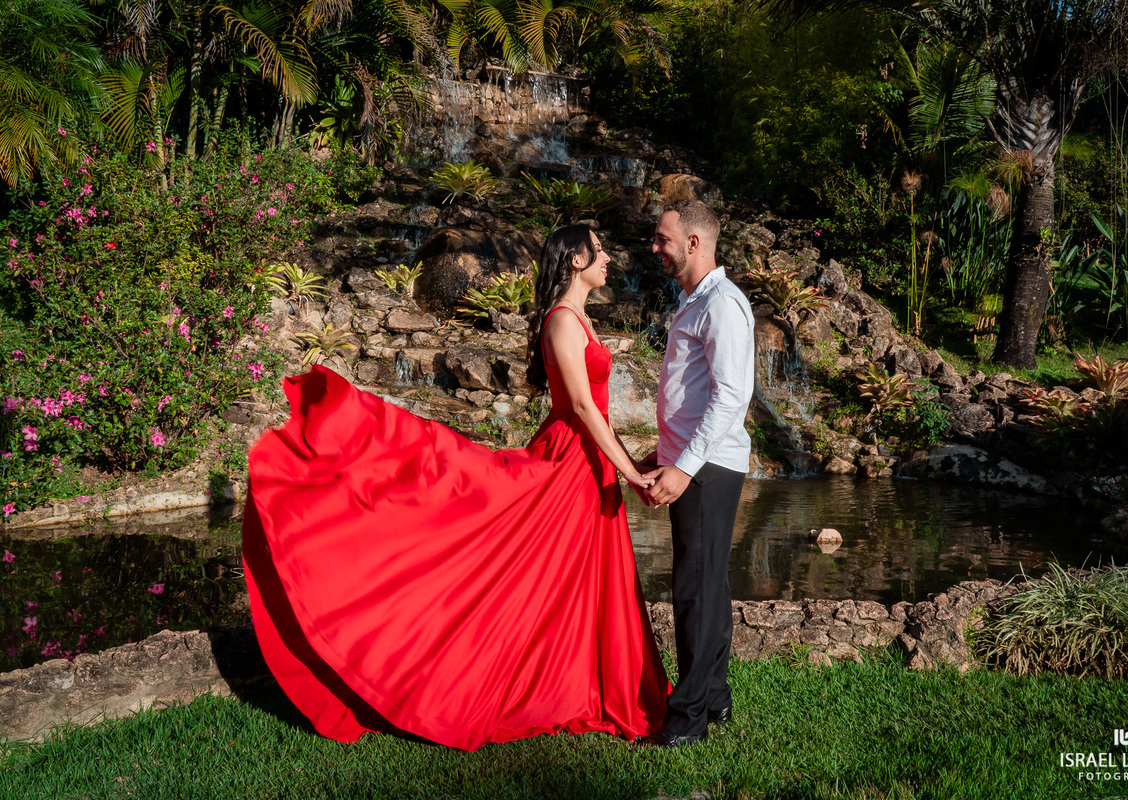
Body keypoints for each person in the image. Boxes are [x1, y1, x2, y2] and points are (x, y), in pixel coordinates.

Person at [241, 224, 668, 752]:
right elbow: (581, 407)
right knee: (517, 565)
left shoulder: (579, 320)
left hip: (588, 462)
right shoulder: (562, 322)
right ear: (576, 259)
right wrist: (629, 469)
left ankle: (586, 680)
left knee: (575, 579)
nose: (608, 258)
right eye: (599, 250)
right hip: (570, 459)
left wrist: (625, 463)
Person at [639, 199, 755, 748]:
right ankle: (713, 696)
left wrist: (683, 469)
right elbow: (692, 394)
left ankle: (686, 718)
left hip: (706, 468)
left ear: (693, 242)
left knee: (693, 587)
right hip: (694, 460)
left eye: (663, 238)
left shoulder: (722, 305)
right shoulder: (695, 300)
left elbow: (732, 395)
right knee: (707, 583)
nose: (655, 247)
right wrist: (664, 454)